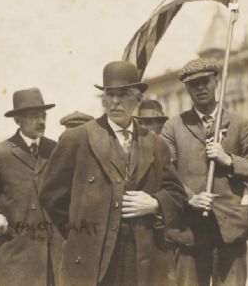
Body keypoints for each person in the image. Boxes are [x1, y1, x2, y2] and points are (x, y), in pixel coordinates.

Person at [39, 60, 187, 286]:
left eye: (123, 94)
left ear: (138, 98)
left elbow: (177, 195)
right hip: (92, 259)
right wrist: (83, 233)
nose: (115, 101)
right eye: (110, 94)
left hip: (142, 259)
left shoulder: (155, 144)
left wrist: (155, 203)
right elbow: (51, 195)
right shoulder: (77, 139)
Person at [161, 58, 248, 286]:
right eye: (193, 84)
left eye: (205, 82)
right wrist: (190, 197)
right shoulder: (173, 127)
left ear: (217, 81)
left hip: (230, 229)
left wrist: (228, 160)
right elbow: (164, 172)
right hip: (190, 230)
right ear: (187, 88)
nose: (200, 88)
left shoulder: (240, 125)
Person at [0, 87, 57, 286]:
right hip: (16, 252)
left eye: (43, 115)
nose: (41, 121)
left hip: (51, 254)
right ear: (18, 120)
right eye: (33, 116)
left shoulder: (54, 149)